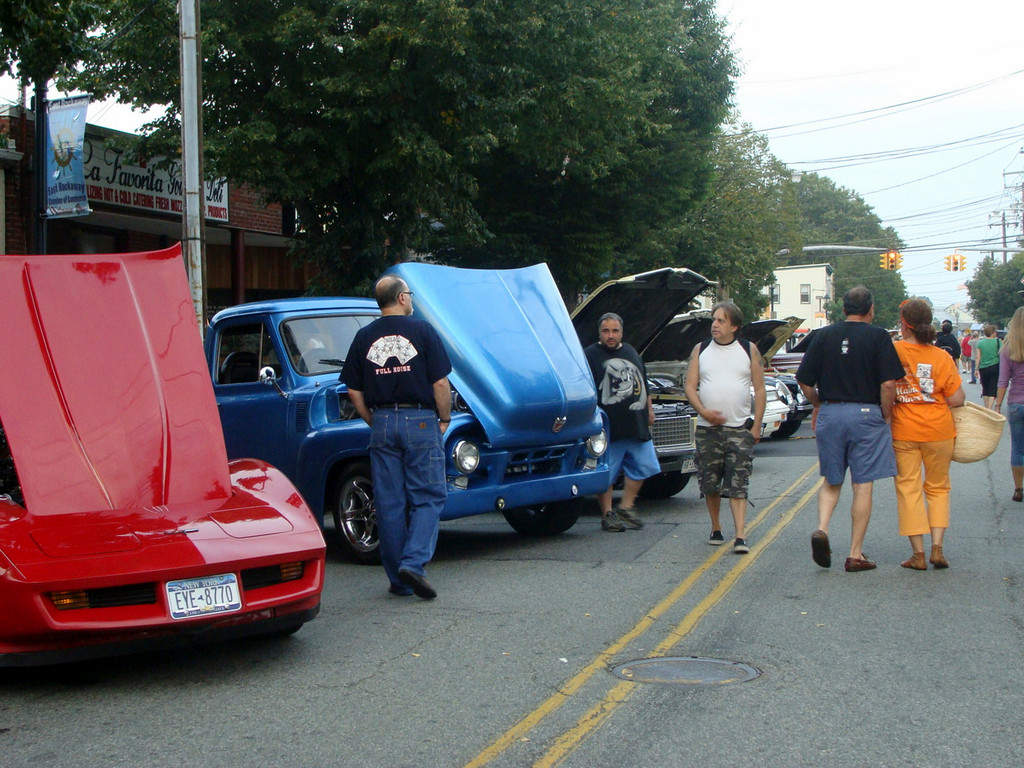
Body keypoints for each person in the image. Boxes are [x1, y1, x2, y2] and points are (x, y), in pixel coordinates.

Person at [342, 275, 452, 599]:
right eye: (410, 294)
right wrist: (443, 418)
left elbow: (352, 388)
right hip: (419, 419)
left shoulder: (364, 337)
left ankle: (399, 580)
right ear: (402, 298)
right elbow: (441, 384)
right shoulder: (422, 331)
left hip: (383, 422)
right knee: (429, 495)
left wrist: (372, 420)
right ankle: (414, 564)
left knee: (389, 502)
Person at [796, 286, 905, 572]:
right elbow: (889, 384)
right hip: (867, 413)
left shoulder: (823, 336)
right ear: (871, 309)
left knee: (831, 480)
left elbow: (804, 381)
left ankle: (822, 528)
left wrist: (819, 404)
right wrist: (886, 414)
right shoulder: (879, 336)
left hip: (832, 411)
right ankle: (855, 554)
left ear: (843, 309)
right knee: (862, 484)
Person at [684, 302, 766, 554]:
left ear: (734, 326)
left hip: (739, 428)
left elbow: (760, 388)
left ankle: (740, 535)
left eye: (721, 321)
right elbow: (689, 386)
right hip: (708, 430)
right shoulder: (701, 350)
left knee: (738, 482)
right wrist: (703, 411)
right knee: (710, 482)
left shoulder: (748, 350)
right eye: (714, 320)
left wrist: (757, 426)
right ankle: (716, 527)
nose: (715, 325)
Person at [891, 300, 966, 570]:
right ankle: (937, 548)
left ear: (904, 323)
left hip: (904, 430)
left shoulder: (893, 350)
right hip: (939, 431)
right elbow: (957, 398)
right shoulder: (942, 357)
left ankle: (918, 554)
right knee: (938, 488)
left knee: (909, 488)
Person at [585, 312, 660, 532]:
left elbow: (643, 382)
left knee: (645, 466)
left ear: (621, 332)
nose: (611, 335)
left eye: (615, 331)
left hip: (636, 423)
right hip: (608, 427)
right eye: (606, 331)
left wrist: (650, 411)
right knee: (606, 474)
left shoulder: (631, 351)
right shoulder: (589, 355)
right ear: (599, 332)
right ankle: (608, 514)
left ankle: (626, 506)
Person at [993, 307, 1024, 503]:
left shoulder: (1007, 348)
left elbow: (1003, 380)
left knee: (1018, 448)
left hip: (1016, 403)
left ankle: (1018, 489)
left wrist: (997, 405)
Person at [975, 324, 1002, 409]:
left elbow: (978, 357)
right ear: (993, 333)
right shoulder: (998, 342)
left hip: (983, 367)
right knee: (993, 387)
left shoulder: (980, 343)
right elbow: (1001, 354)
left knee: (985, 387)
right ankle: (990, 407)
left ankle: (986, 407)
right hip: (994, 366)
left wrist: (976, 368)